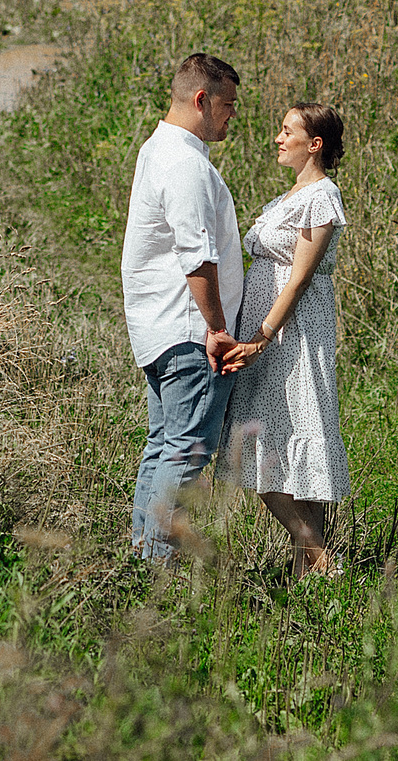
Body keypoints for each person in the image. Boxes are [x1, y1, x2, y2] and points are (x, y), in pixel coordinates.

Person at [218, 102, 351, 578]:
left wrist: (259, 338)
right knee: (278, 439)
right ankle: (309, 573)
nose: (277, 138)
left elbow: (297, 279)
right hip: (266, 328)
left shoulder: (322, 195)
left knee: (269, 443)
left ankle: (320, 561)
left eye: (287, 131)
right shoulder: (287, 197)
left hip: (289, 334)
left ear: (314, 144)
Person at [120, 53, 245, 561]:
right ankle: (156, 566)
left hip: (160, 326)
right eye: (228, 105)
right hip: (188, 330)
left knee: (163, 445)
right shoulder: (184, 162)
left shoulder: (159, 150)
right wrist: (217, 328)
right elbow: (197, 258)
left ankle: (140, 558)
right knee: (186, 449)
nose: (232, 115)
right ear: (201, 100)